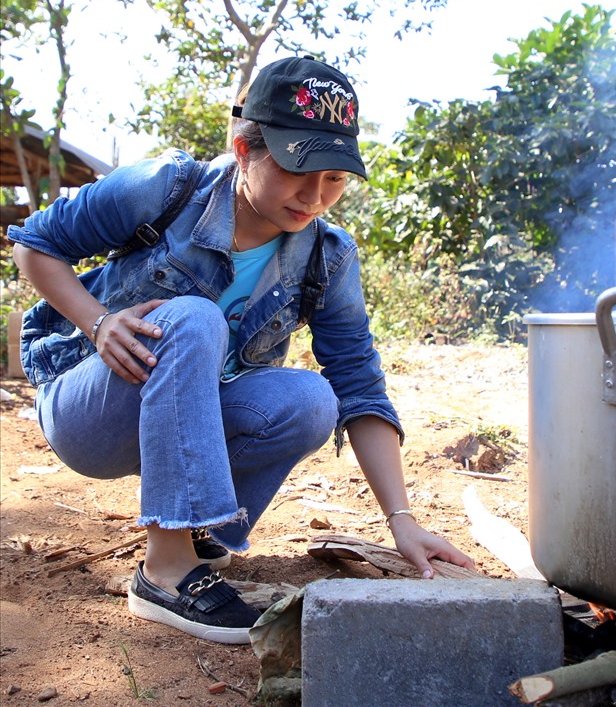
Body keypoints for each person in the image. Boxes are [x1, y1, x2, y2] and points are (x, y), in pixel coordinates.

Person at [7, 55, 476, 645]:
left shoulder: (327, 256)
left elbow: (358, 382)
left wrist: (401, 522)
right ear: (243, 148)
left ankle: (204, 534)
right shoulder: (168, 187)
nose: (314, 196)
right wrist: (98, 323)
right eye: (295, 169)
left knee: (313, 398)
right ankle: (166, 572)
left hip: (188, 419)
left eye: (333, 177)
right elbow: (34, 243)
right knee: (193, 319)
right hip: (91, 407)